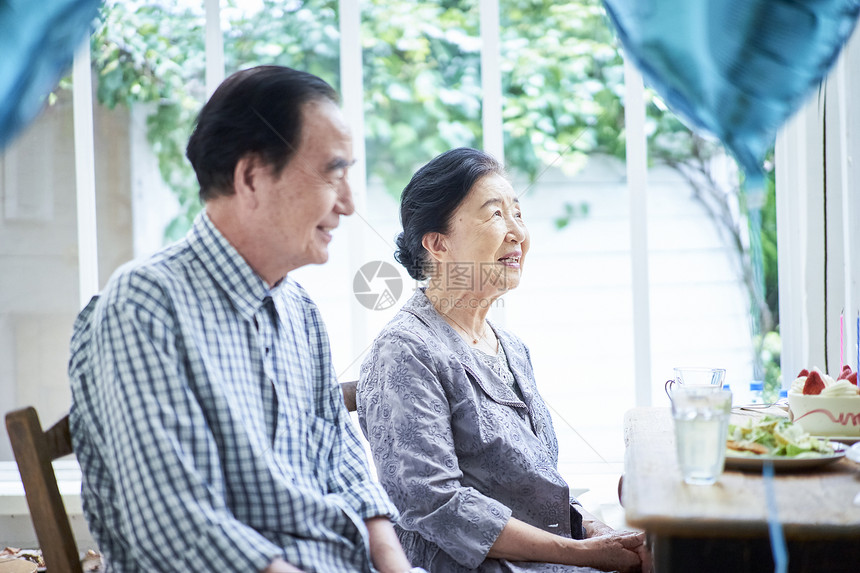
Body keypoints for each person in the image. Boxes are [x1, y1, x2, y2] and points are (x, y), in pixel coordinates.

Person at [68, 65, 419, 573]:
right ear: (252, 177)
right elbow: (176, 524)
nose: (348, 204)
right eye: (332, 174)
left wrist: (397, 568)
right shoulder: (145, 305)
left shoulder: (299, 310)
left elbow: (344, 466)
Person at [356, 148, 650, 573]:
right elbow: (437, 506)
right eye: (495, 215)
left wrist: (592, 529)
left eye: (518, 213)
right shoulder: (404, 351)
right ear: (438, 244)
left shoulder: (509, 346)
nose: (518, 233)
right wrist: (583, 555)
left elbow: (535, 486)